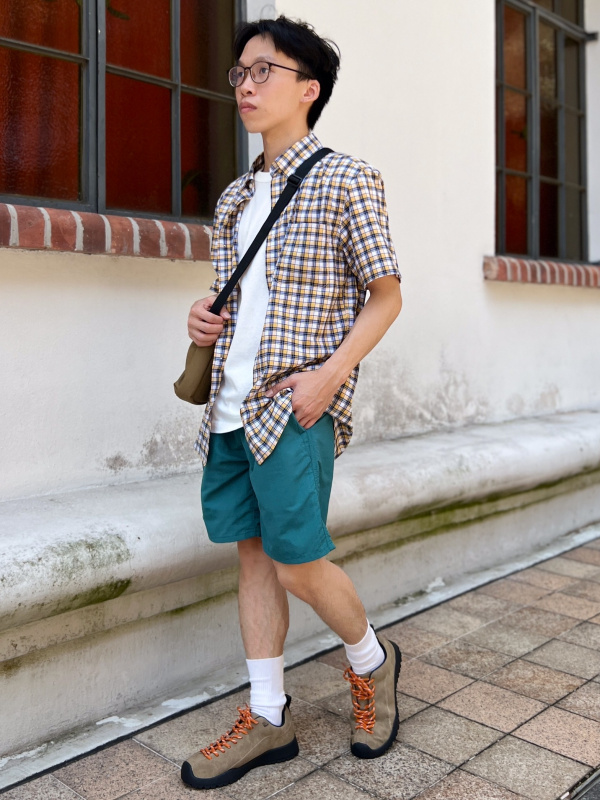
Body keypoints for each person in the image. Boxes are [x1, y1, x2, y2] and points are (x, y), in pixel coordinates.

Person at [181, 15, 402, 791]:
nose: (244, 84)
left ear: (308, 89)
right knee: (253, 554)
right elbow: (248, 304)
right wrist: (208, 319)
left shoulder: (348, 178)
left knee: (298, 561)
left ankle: (374, 660)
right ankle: (268, 718)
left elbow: (386, 296)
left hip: (296, 405)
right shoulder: (234, 197)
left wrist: (330, 375)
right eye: (240, 72)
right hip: (232, 409)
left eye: (263, 71)